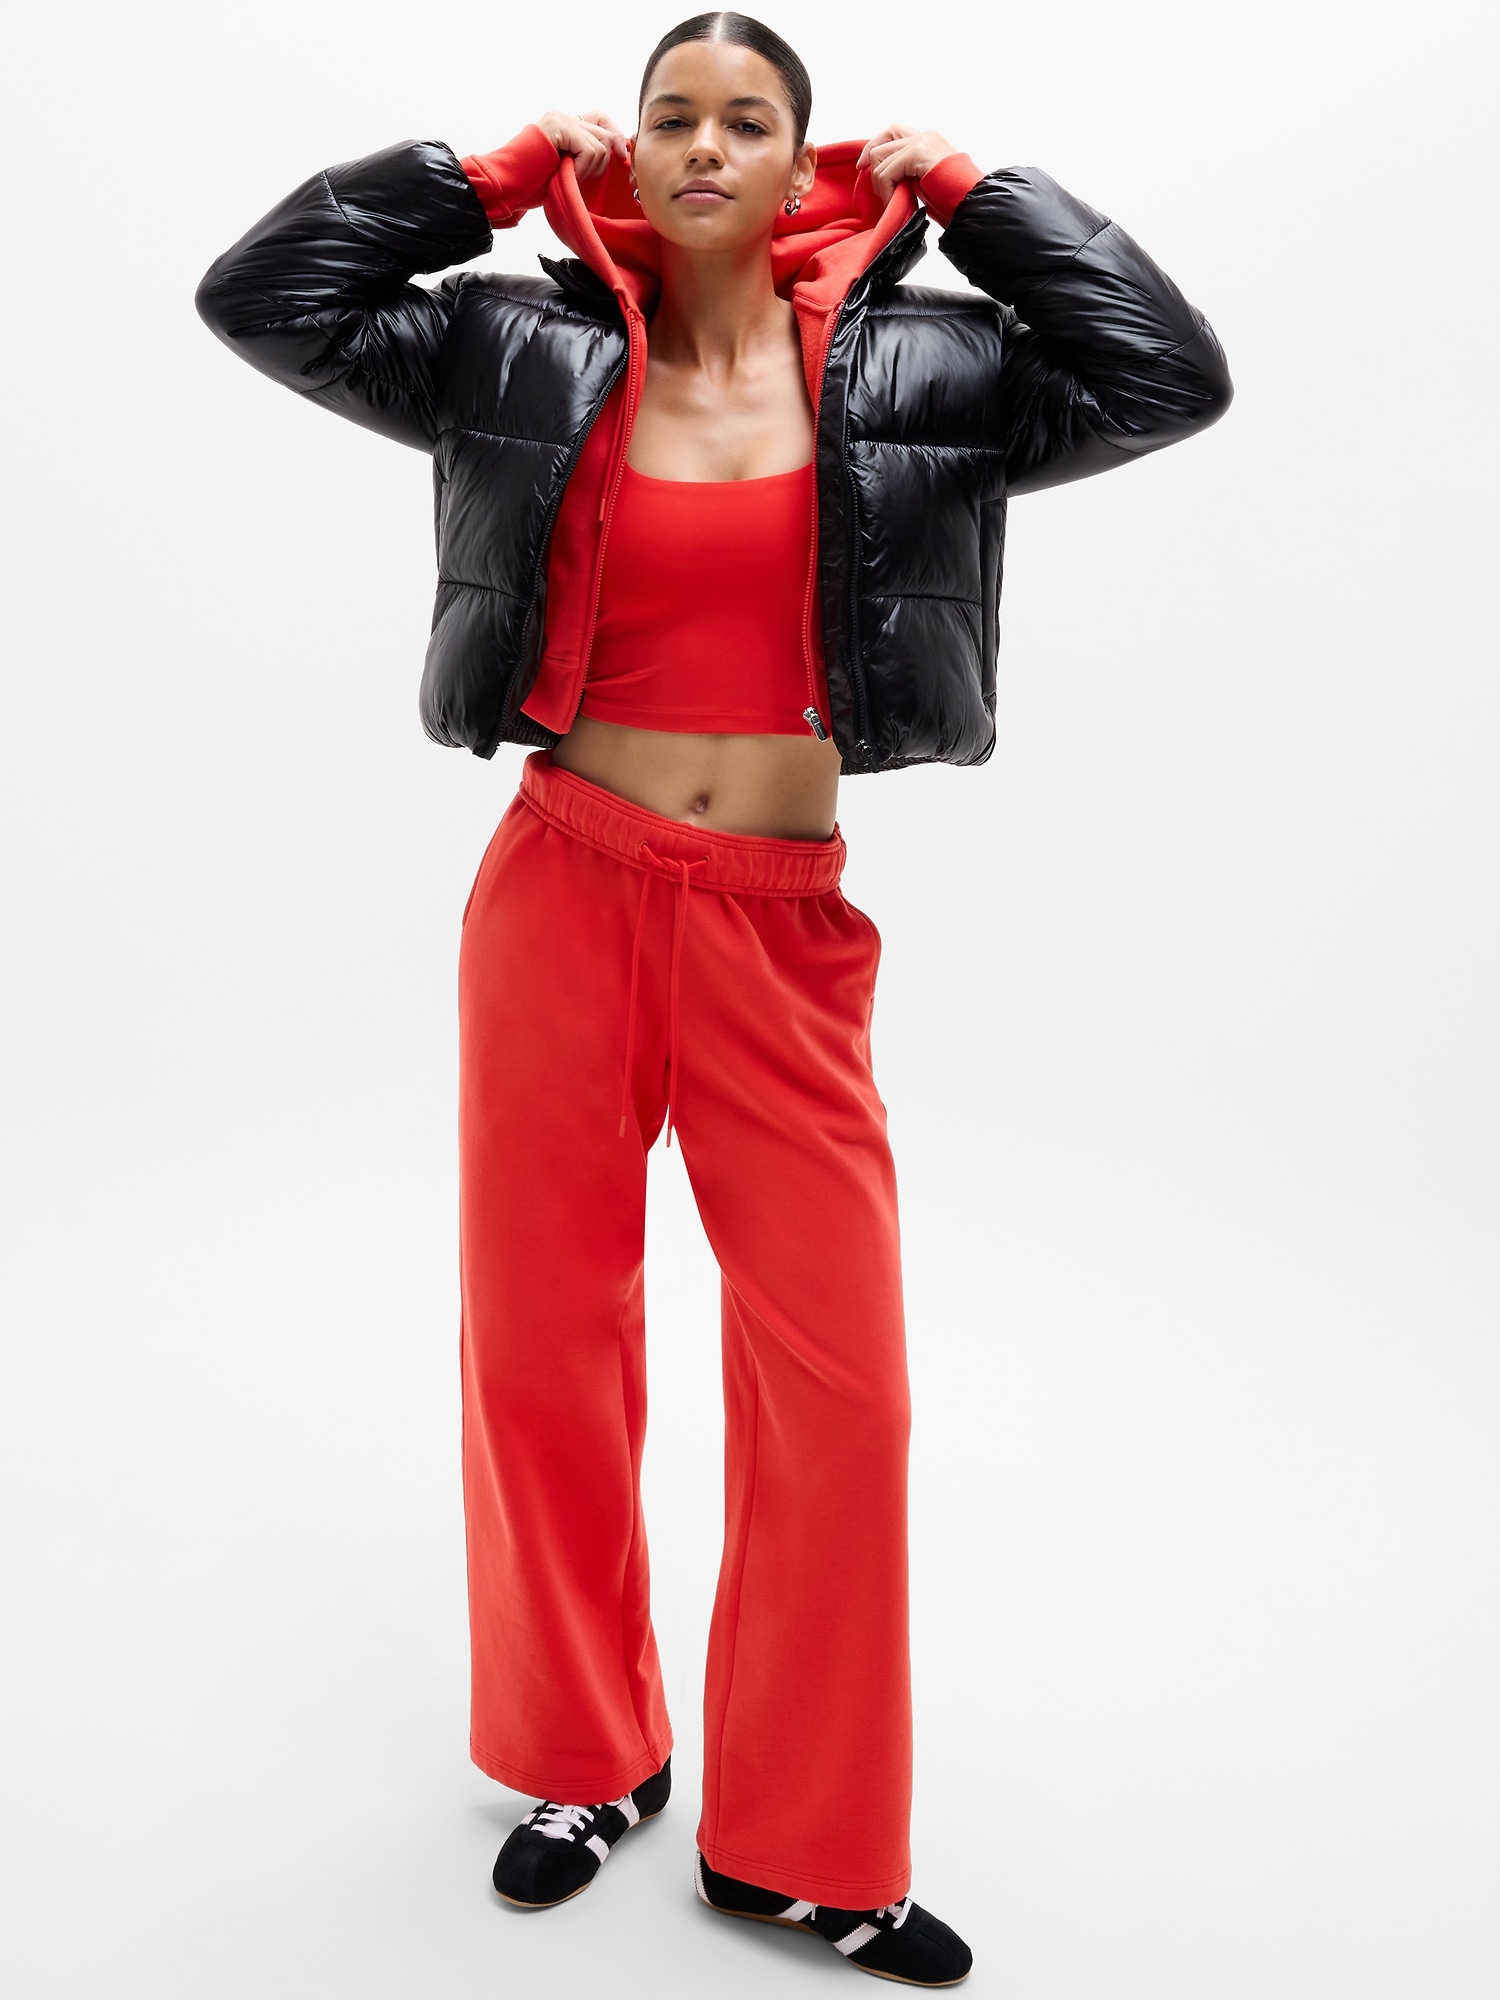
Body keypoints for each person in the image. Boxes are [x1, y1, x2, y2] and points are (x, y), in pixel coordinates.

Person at [196, 11, 1230, 1985]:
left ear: (798, 163)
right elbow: (269, 298)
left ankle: (803, 1850)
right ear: (630, 150)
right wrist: (487, 173)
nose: (700, 143)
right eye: (669, 113)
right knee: (544, 1350)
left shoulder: (935, 372)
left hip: (779, 922)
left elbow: (1164, 372)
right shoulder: (513, 347)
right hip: (561, 891)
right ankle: (583, 1760)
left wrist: (979, 196)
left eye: (745, 119)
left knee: (844, 1387)